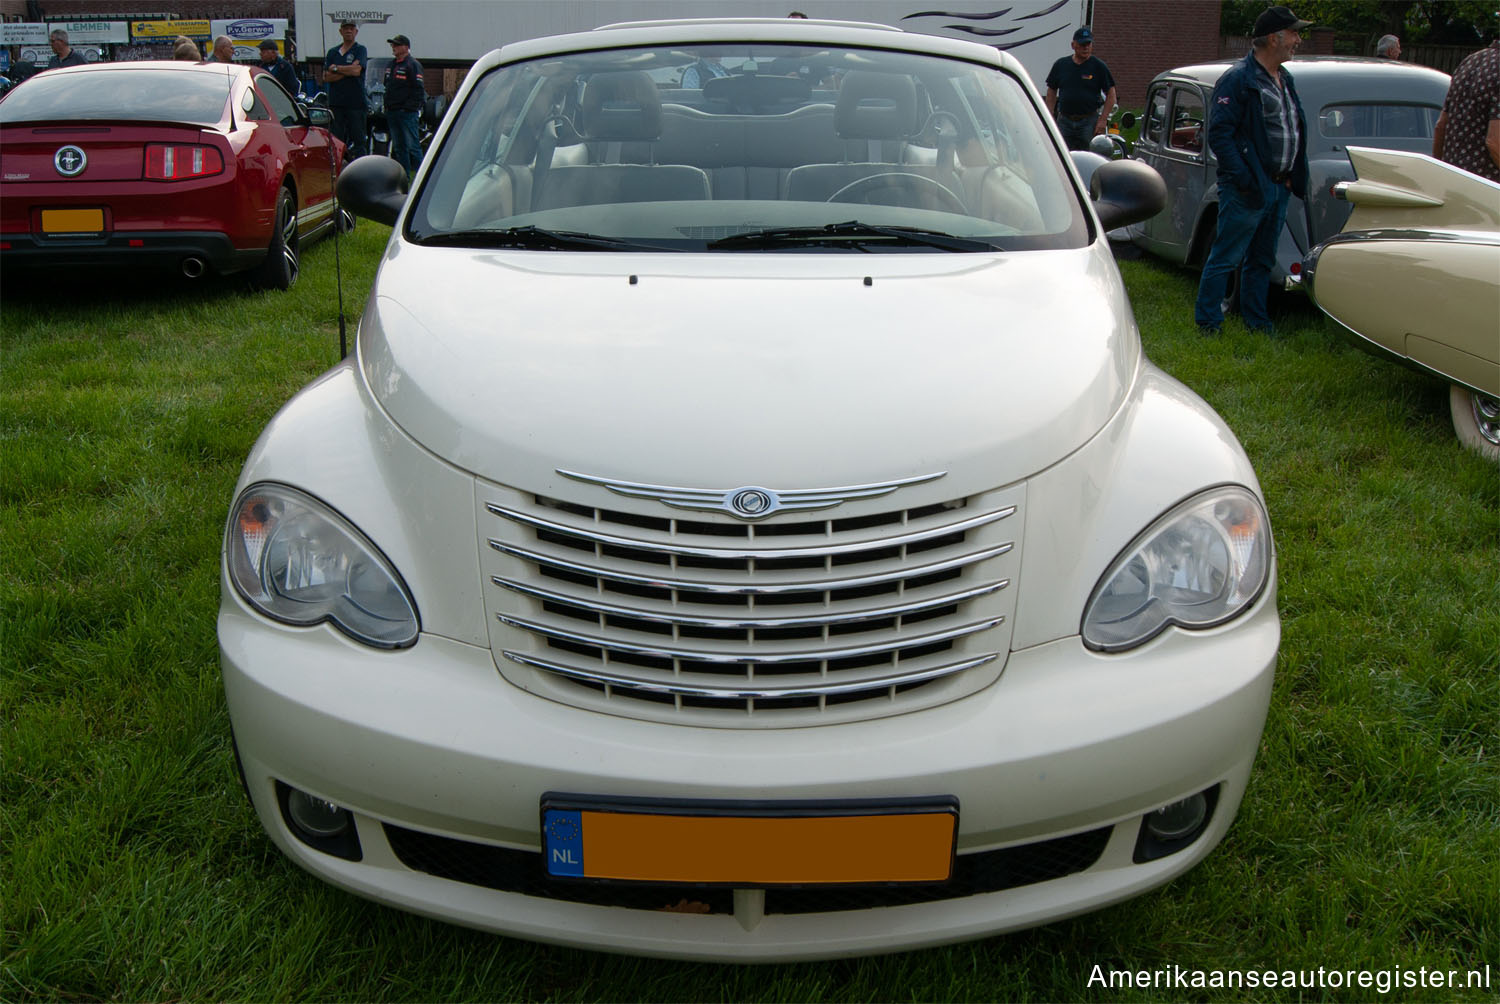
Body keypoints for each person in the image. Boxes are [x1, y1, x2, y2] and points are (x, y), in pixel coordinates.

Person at [1193, 5, 1311, 335]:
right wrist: (1244, 178)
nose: (1298, 40)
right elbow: (1220, 134)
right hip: (1247, 187)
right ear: (1274, 39)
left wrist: (1289, 178)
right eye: (1293, 33)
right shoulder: (1238, 80)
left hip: (1278, 186)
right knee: (1226, 256)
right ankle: (1209, 323)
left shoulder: (1283, 78)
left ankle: (1257, 322)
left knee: (1262, 259)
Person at [1432, 39, 1500, 184]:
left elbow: (1441, 127)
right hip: (1487, 190)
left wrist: (1438, 173)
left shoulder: (1470, 61)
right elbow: (1495, 142)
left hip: (1453, 183)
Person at [1044, 27, 1116, 151]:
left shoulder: (1099, 66)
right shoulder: (1061, 65)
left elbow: (1111, 94)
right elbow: (1051, 91)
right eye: (1082, 44)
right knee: (1060, 154)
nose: (1086, 47)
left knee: (1089, 156)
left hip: (1088, 123)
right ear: (1073, 45)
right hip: (1064, 121)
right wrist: (1049, 115)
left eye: (1088, 44)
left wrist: (1103, 120)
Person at [324, 20, 369, 159]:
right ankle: (338, 168)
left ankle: (362, 168)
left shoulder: (360, 50)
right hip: (337, 103)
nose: (349, 31)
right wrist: (347, 70)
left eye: (351, 28)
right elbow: (326, 77)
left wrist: (336, 68)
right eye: (346, 28)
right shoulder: (332, 52)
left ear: (356, 32)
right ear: (341, 31)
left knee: (359, 140)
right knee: (337, 140)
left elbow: (356, 71)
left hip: (356, 103)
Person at [383, 34, 425, 177]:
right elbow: (386, 86)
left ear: (406, 47)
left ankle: (423, 176)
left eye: (396, 45)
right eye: (392, 45)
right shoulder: (391, 65)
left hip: (407, 113)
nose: (393, 47)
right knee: (399, 147)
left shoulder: (413, 65)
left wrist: (409, 107)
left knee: (413, 146)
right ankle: (404, 176)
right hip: (392, 112)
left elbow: (418, 90)